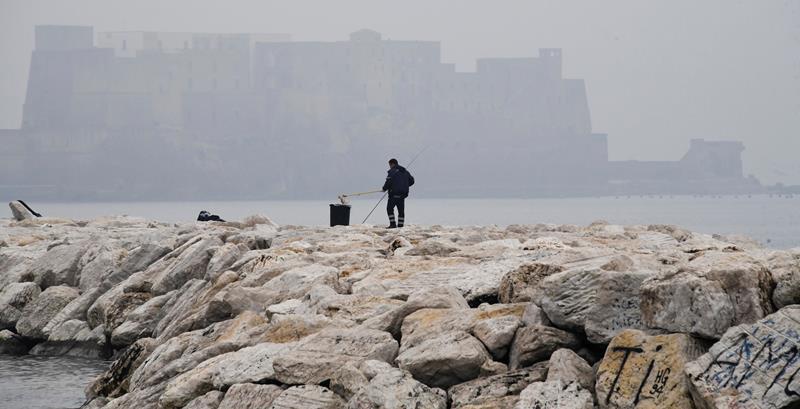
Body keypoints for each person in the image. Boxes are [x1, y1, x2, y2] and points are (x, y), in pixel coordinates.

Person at [382, 158, 415, 228]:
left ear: (392, 164)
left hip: (393, 194)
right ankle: (400, 225)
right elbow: (412, 181)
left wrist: (384, 188)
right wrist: (404, 185)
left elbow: (388, 181)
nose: (389, 167)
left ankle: (392, 224)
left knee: (389, 209)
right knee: (401, 211)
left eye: (390, 165)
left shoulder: (392, 171)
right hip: (402, 195)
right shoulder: (405, 171)